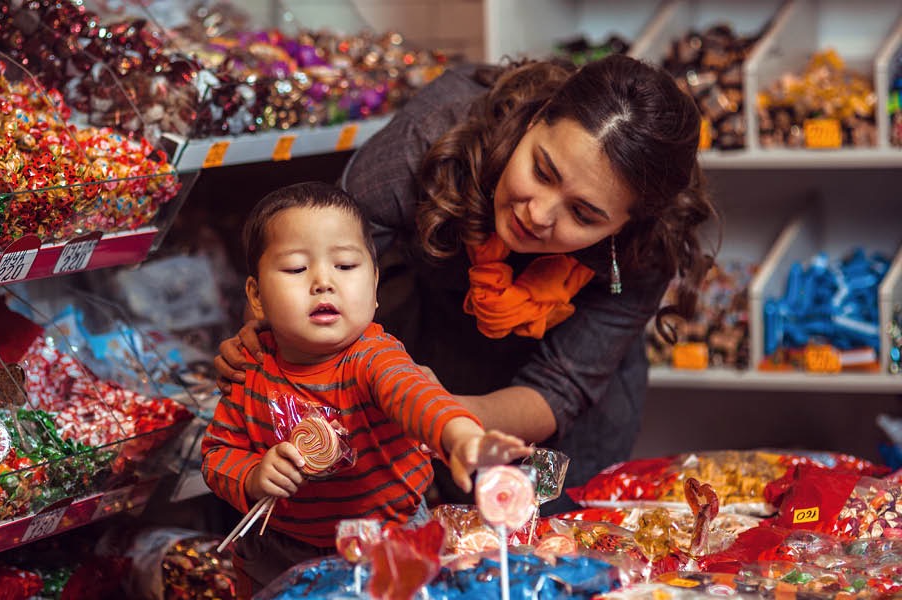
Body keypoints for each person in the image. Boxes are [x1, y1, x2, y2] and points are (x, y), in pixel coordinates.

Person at [215, 55, 717, 504]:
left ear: (626, 225)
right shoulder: (428, 142)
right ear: (536, 119)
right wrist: (270, 344)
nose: (538, 214)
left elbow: (559, 388)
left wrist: (434, 414)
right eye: (542, 171)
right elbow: (307, 251)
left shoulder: (646, 247)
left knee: (550, 538)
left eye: (583, 214)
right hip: (435, 348)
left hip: (547, 412)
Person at [201, 182, 531, 594]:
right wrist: (251, 476)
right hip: (279, 547)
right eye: (296, 269)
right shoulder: (248, 367)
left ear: (374, 285)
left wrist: (460, 435)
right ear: (257, 297)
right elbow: (217, 453)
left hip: (387, 539)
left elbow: (415, 396)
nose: (323, 281)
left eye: (344, 266)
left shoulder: (373, 357)